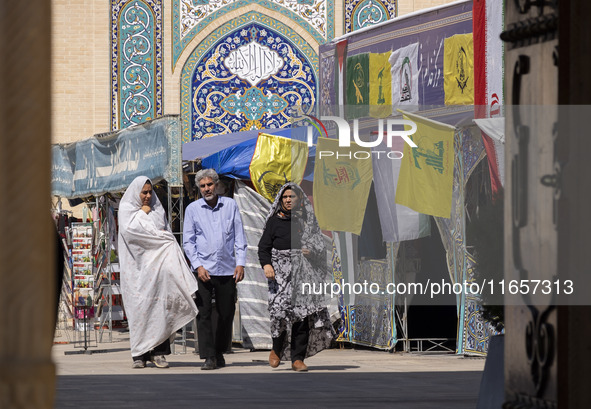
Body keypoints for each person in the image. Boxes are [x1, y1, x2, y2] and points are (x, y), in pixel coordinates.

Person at [118, 176, 199, 369]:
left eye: (149, 192)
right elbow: (130, 234)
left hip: (158, 272)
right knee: (139, 310)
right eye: (143, 192)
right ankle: (139, 354)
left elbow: (164, 235)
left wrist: (146, 214)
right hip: (136, 272)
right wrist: (142, 214)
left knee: (160, 309)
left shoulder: (157, 209)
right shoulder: (126, 209)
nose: (147, 196)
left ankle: (159, 353)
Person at [258, 182, 335, 372]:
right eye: (285, 197)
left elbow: (319, 246)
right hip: (280, 275)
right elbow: (263, 248)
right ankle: (276, 348)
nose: (288, 200)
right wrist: (267, 264)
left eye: (292, 197)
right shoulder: (274, 221)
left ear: (299, 199)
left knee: (302, 316)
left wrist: (311, 252)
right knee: (279, 313)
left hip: (304, 274)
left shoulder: (307, 221)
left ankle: (297, 359)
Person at [183, 169, 247, 370]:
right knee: (204, 313)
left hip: (228, 269)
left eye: (209, 185)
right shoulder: (192, 209)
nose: (206, 189)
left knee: (226, 312)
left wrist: (241, 262)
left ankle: (219, 352)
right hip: (204, 270)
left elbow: (239, 236)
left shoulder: (230, 205)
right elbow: (188, 241)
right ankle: (209, 355)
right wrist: (198, 265)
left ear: (216, 185)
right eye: (202, 186)